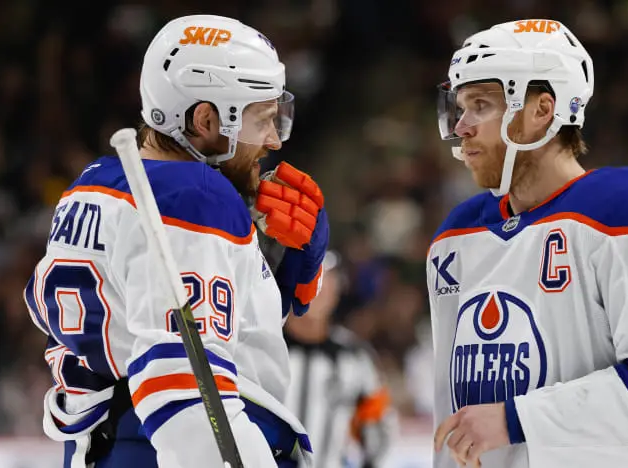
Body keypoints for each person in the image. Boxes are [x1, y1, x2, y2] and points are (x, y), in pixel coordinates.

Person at [24, 14, 327, 468]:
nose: (272, 139)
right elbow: (183, 382)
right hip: (171, 447)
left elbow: (215, 330)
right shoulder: (196, 196)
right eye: (262, 118)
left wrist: (275, 270)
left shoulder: (91, 186)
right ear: (205, 119)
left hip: (110, 445)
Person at [428, 19, 628, 468]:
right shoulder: (456, 238)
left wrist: (515, 420)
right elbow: (458, 430)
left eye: (481, 105)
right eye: (460, 107)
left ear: (542, 110)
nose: (462, 126)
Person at [283, 251, 395, 468]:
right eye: (313, 278)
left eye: (328, 280)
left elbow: (378, 430)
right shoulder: (262, 347)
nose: (321, 288)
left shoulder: (355, 357)